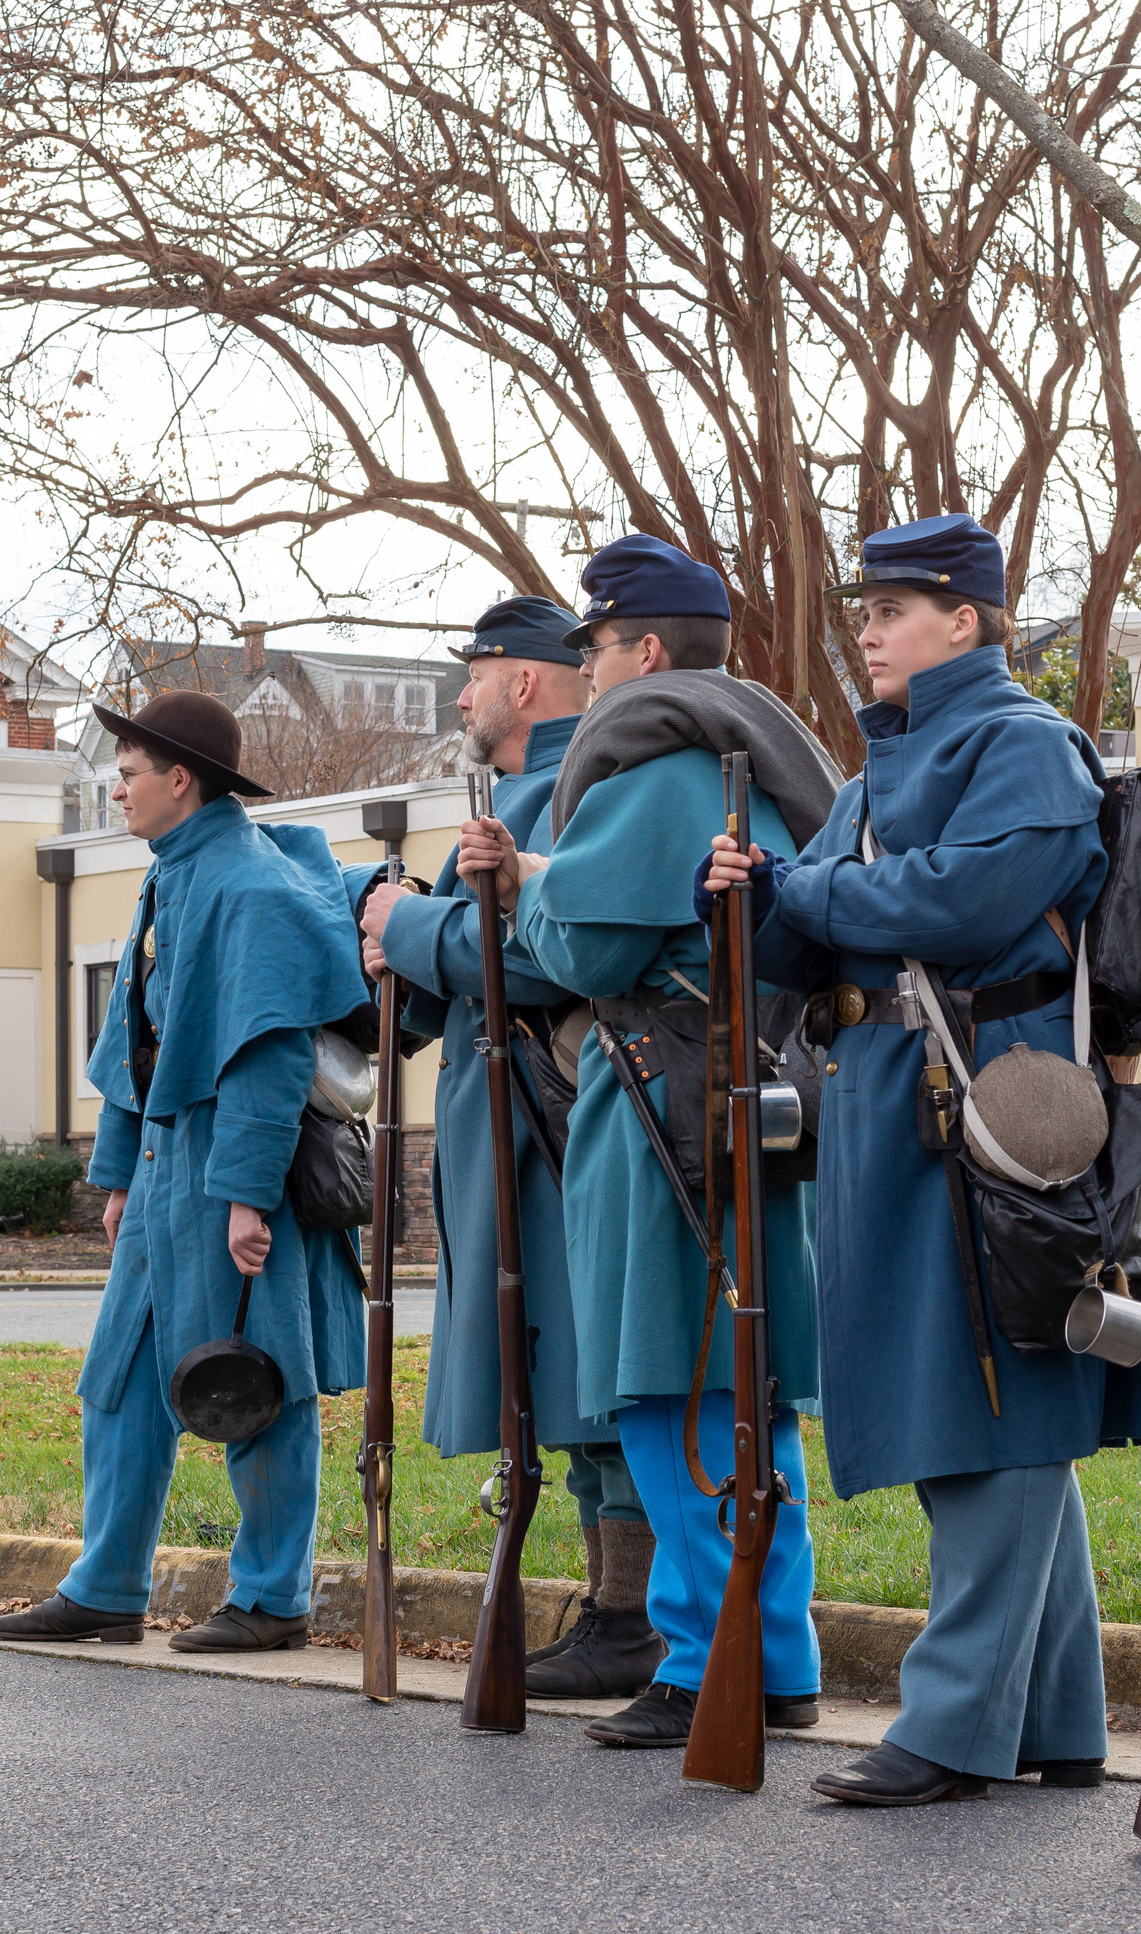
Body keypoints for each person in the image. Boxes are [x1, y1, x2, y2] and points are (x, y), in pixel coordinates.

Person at [701, 513, 1141, 1806]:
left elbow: (960, 901)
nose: (866, 625)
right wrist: (738, 896)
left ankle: (957, 1725)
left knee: (997, 1406)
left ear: (965, 620)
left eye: (894, 606)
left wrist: (798, 896)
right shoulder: (874, 771)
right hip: (895, 1113)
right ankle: (1059, 1719)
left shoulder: (1022, 746)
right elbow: (802, 939)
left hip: (990, 1118)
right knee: (980, 1398)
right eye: (868, 606)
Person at [460, 534, 840, 1751]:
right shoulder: (763, 749)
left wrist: (527, 883)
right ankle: (772, 1653)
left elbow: (582, 954)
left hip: (655, 1094)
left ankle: (700, 1653)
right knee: (744, 1392)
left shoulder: (655, 758)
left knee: (664, 1393)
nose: (591, 673)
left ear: (649, 650)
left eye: (599, 646)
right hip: (749, 1089)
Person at [0, 689, 369, 1654]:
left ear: (180, 780)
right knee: (116, 1381)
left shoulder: (251, 888)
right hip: (163, 1175)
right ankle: (108, 1585)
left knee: (254, 1383)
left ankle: (273, 1599)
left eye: (126, 777)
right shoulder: (171, 875)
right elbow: (136, 1043)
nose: (115, 792)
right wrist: (117, 1180)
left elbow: (271, 1059)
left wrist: (245, 1199)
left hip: (234, 1176)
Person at [355, 594, 663, 1699]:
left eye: (474, 673)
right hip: (513, 1120)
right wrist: (390, 934)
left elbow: (553, 959)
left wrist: (413, 930)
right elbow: (452, 978)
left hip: (559, 1118)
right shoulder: (509, 799)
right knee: (558, 1377)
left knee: (595, 1373)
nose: (460, 695)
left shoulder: (582, 790)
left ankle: (629, 1615)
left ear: (523, 682)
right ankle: (611, 1610)